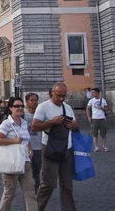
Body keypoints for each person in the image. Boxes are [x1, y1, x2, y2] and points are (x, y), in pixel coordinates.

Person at [32, 82, 79, 211]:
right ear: (52, 93)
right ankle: (36, 208)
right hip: (50, 150)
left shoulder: (68, 108)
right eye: (59, 95)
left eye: (64, 95)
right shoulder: (43, 107)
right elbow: (34, 126)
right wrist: (52, 122)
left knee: (67, 185)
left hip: (67, 149)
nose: (62, 98)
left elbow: (76, 127)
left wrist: (74, 126)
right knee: (49, 184)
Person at [0, 97, 38, 211]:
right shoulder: (6, 124)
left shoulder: (23, 123)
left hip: (25, 163)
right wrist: (13, 141)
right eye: (17, 106)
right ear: (11, 108)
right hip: (11, 163)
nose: (20, 108)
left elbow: (25, 139)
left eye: (22, 106)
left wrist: (30, 149)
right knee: (9, 194)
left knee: (30, 193)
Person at [24, 92, 42, 193]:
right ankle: (29, 191)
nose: (34, 102)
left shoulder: (40, 114)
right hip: (26, 148)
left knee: (37, 171)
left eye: (36, 100)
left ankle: (36, 191)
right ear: (27, 101)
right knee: (27, 172)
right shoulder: (23, 115)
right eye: (32, 100)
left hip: (38, 147)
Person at [86, 87, 109, 152]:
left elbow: (107, 108)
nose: (93, 93)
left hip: (102, 118)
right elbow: (87, 108)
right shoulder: (91, 100)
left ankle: (104, 146)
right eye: (92, 92)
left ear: (98, 93)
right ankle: (96, 146)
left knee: (103, 133)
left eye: (94, 92)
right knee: (94, 133)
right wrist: (89, 117)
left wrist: (103, 108)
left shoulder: (103, 100)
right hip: (94, 118)